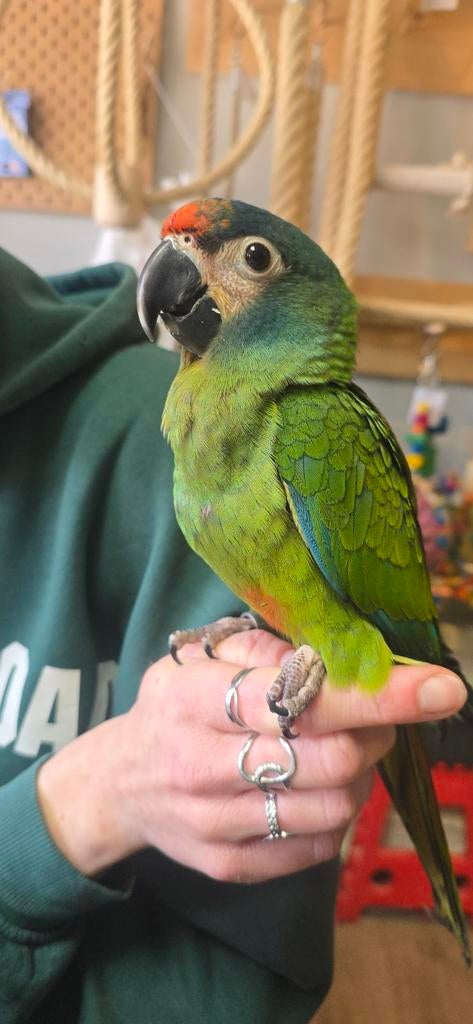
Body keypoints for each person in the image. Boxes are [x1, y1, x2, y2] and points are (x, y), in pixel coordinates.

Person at [0, 245, 466, 1024]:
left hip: (359, 645)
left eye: (248, 257)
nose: (180, 262)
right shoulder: (184, 422)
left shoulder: (317, 424)